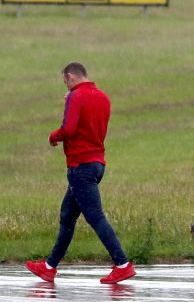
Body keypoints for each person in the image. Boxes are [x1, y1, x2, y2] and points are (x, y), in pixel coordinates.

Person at [26, 62, 136, 284]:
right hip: (97, 164)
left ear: (70, 77)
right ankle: (49, 267)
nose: (66, 87)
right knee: (67, 215)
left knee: (95, 216)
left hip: (80, 166)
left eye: (65, 82)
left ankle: (122, 264)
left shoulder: (75, 96)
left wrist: (53, 136)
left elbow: (69, 128)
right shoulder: (103, 97)